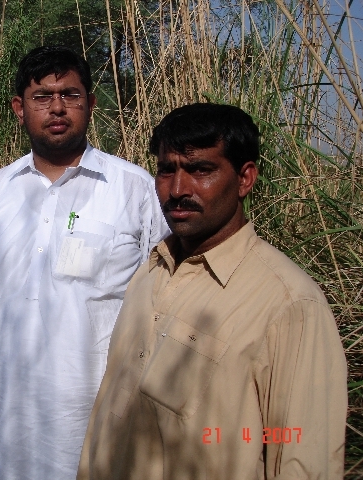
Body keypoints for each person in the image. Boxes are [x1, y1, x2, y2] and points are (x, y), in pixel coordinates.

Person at [77, 103, 348, 479]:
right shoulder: (150, 272)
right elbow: (109, 413)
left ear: (245, 178)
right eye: (166, 170)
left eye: (201, 170)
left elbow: (303, 456)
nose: (177, 189)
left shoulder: (289, 303)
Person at [0, 45, 169, 480]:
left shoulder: (134, 190)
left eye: (71, 95)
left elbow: (167, 300)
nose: (57, 108)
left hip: (95, 413)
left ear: (92, 104)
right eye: (42, 97)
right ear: (19, 109)